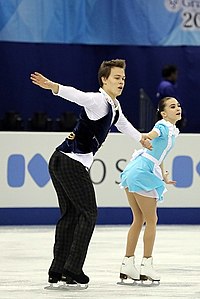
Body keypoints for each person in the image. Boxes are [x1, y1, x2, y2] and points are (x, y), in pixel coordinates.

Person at [30, 59, 152, 287]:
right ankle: (73, 270)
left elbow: (123, 124)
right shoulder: (98, 100)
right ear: (104, 79)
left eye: (123, 78)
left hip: (60, 159)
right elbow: (78, 96)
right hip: (70, 162)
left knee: (72, 215)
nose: (121, 82)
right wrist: (53, 87)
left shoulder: (114, 106)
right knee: (88, 214)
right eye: (116, 78)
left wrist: (141, 138)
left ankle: (58, 272)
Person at [119, 96, 182, 283]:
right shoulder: (162, 126)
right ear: (163, 113)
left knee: (138, 219)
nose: (177, 108)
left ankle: (127, 265)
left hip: (135, 169)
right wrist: (145, 137)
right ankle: (146, 265)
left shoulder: (171, 130)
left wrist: (164, 176)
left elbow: (158, 155)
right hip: (142, 171)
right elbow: (151, 135)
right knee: (152, 220)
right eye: (172, 106)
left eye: (178, 105)